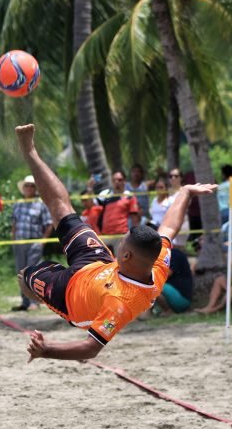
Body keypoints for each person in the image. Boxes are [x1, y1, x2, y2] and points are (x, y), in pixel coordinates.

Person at [13, 123, 216, 361]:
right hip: (97, 265)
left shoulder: (120, 303)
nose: (119, 243)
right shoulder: (158, 260)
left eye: (123, 243)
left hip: (68, 295)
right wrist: (185, 192)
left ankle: (41, 295)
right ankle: (30, 152)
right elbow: (169, 227)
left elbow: (90, 348)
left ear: (127, 255)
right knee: (62, 210)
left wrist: (46, 350)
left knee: (25, 274)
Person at [11, 175, 53, 311]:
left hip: (34, 242)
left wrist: (42, 242)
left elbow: (49, 224)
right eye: (27, 185)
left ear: (35, 189)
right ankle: (24, 302)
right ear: (23, 188)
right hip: (19, 242)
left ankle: (34, 302)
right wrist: (13, 240)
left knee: (33, 272)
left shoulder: (41, 204)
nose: (29, 188)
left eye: (32, 186)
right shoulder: (18, 204)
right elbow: (14, 224)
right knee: (20, 272)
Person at [87, 170, 141, 254]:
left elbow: (135, 219)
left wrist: (135, 236)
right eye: (114, 180)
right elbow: (91, 205)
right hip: (105, 236)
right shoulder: (105, 194)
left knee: (120, 263)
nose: (117, 182)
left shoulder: (129, 196)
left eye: (120, 180)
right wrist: (90, 188)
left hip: (121, 236)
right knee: (105, 262)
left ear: (125, 181)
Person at [143, 246, 193, 317]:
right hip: (177, 297)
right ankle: (147, 314)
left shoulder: (174, 254)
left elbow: (166, 273)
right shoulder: (165, 255)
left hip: (181, 299)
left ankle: (167, 311)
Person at [167, 168, 190, 250]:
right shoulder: (167, 192)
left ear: (181, 178)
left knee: (179, 250)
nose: (173, 178)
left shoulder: (184, 191)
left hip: (182, 223)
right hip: (169, 225)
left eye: (176, 176)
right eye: (171, 176)